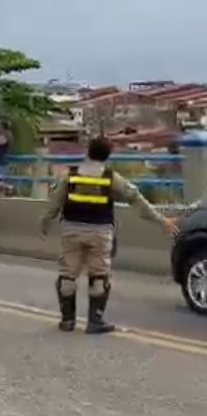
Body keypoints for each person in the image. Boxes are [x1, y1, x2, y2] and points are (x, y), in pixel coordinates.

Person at [41, 136, 178, 334]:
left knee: (68, 274)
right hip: (100, 231)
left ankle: (67, 320)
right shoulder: (110, 178)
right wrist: (162, 221)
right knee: (99, 275)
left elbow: (54, 203)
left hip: (72, 230)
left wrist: (45, 223)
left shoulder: (70, 176)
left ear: (88, 151)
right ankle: (95, 321)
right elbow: (136, 200)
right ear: (108, 156)